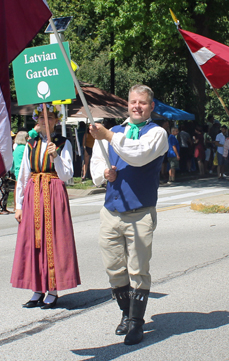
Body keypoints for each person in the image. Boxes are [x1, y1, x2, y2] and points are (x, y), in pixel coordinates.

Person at [90, 84, 168, 346]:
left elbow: (138, 155)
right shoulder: (113, 131)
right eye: (133, 102)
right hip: (111, 210)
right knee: (114, 269)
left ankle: (136, 322)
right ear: (127, 104)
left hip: (140, 212)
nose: (137, 106)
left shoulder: (157, 133)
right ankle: (126, 313)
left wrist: (109, 137)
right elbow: (97, 162)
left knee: (138, 270)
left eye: (142, 103)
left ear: (151, 106)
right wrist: (104, 173)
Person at [11, 105, 80, 309]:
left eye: (49, 117)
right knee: (34, 240)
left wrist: (55, 157)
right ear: (37, 121)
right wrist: (19, 204)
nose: (45, 121)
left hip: (53, 191)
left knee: (54, 240)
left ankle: (53, 290)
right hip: (34, 193)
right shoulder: (30, 144)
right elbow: (23, 174)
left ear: (56, 121)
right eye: (41, 117)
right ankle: (37, 289)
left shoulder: (62, 143)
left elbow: (67, 175)